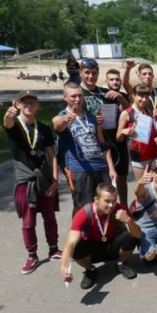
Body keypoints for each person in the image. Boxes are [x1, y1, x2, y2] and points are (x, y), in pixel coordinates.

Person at [4, 91, 61, 274]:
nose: (28, 105)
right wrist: (8, 114)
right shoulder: (14, 126)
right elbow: (8, 122)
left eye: (32, 102)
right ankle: (32, 255)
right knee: (28, 221)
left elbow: (52, 155)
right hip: (25, 180)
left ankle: (53, 248)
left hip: (44, 178)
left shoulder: (43, 128)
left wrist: (54, 180)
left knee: (50, 217)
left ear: (38, 105)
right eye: (24, 102)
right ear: (18, 104)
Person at [60, 183, 141, 289]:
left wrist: (129, 221)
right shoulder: (84, 213)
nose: (111, 205)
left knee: (131, 234)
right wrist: (64, 266)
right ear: (96, 199)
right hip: (93, 250)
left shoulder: (119, 209)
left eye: (114, 200)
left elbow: (138, 234)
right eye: (107, 201)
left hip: (112, 246)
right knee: (76, 246)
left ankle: (121, 263)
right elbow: (70, 242)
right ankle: (90, 270)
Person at [52, 82, 117, 215]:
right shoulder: (63, 116)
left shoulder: (91, 117)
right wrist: (65, 120)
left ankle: (99, 232)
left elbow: (102, 144)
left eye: (80, 96)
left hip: (100, 167)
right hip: (79, 170)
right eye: (73, 96)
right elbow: (56, 125)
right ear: (65, 97)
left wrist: (111, 167)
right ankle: (77, 233)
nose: (77, 99)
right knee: (81, 207)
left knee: (105, 204)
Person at [79, 58, 131, 205]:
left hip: (114, 141)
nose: (90, 76)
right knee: (97, 184)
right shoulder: (78, 93)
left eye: (94, 73)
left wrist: (121, 98)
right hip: (91, 145)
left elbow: (129, 113)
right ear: (80, 73)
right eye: (87, 73)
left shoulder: (106, 93)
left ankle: (123, 207)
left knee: (120, 177)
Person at [116, 84, 157, 182]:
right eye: (141, 96)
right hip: (139, 156)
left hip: (154, 153)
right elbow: (118, 138)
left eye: (146, 97)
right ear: (133, 95)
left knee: (156, 186)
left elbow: (153, 133)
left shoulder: (148, 111)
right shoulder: (127, 113)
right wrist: (124, 131)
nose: (144, 100)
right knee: (142, 188)